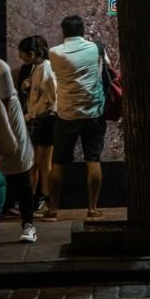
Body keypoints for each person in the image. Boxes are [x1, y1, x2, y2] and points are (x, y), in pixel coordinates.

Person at [44, 16, 106, 222]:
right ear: (83, 30)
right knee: (93, 160)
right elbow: (105, 67)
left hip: (66, 114)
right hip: (93, 113)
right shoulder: (95, 48)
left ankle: (53, 209)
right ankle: (93, 208)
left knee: (58, 163)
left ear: (63, 32)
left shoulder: (54, 52)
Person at [0, 77, 36, 243]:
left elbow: (11, 142)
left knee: (21, 181)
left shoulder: (6, 101)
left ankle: (28, 224)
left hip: (12, 150)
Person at [18, 36, 56, 215]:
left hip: (45, 120)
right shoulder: (37, 67)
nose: (22, 59)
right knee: (35, 163)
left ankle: (47, 201)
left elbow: (49, 100)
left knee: (43, 163)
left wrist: (30, 115)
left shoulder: (45, 68)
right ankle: (33, 201)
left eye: (23, 55)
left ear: (32, 54)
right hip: (36, 119)